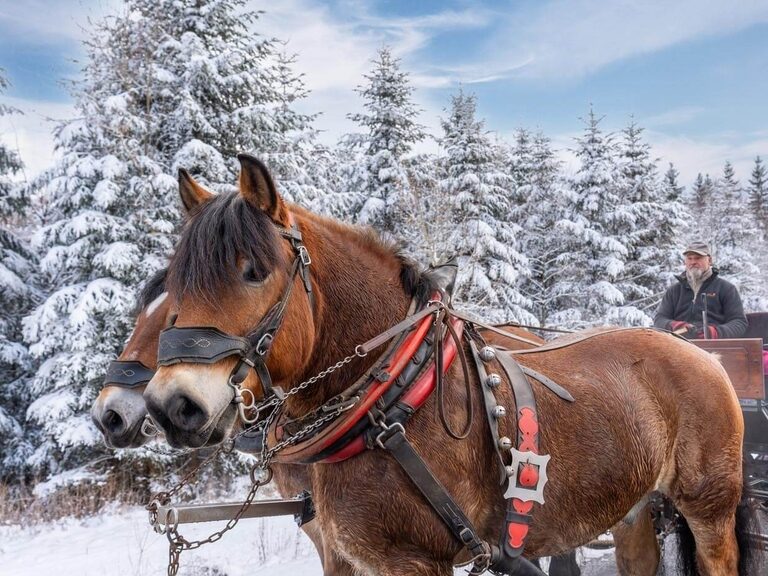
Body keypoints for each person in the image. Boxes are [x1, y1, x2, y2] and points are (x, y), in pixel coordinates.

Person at [654, 241, 747, 339]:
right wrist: (674, 325)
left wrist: (714, 332)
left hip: (716, 347)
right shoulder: (674, 291)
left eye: (698, 258)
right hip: (679, 345)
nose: (693, 262)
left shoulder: (726, 288)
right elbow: (659, 320)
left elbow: (739, 323)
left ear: (709, 260)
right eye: (689, 258)